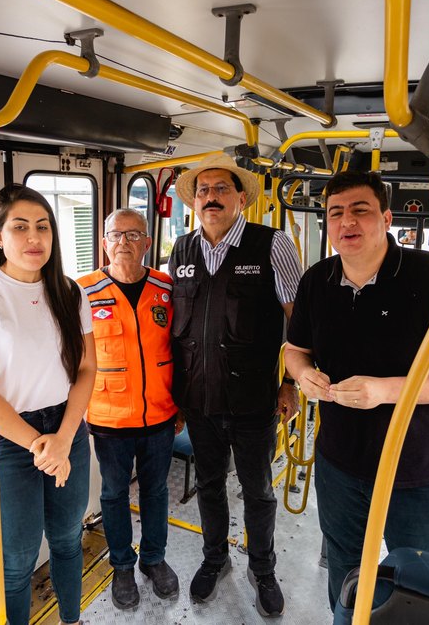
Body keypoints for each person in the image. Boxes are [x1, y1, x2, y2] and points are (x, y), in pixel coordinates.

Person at [282, 170, 429, 611]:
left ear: (387, 218)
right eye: (335, 213)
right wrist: (303, 376)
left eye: (360, 210)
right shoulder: (316, 281)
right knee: (344, 563)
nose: (347, 222)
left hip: (416, 467)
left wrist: (386, 390)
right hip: (340, 460)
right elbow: (294, 350)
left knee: (416, 575)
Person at [0, 184, 95, 625]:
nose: (35, 238)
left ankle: (71, 619)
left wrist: (64, 440)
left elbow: (87, 369)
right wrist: (41, 446)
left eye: (43, 227)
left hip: (66, 427)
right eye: (21, 227)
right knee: (17, 560)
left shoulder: (68, 292)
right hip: (9, 439)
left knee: (68, 539)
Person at [169, 152, 302, 617]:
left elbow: (298, 322)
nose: (211, 197)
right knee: (208, 486)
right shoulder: (182, 250)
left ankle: (262, 569)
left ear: (241, 198)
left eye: (221, 189)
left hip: (253, 401)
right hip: (200, 402)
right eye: (203, 191)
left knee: (259, 490)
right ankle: (215, 558)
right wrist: (176, 396)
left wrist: (290, 383)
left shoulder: (272, 245)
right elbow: (177, 331)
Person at [77, 208, 182, 610]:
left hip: (160, 413)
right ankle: (122, 564)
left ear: (147, 243)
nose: (124, 241)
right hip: (107, 417)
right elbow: (71, 356)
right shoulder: (82, 291)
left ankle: (154, 559)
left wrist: (181, 406)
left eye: (133, 234)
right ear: (104, 242)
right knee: (114, 493)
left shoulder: (165, 287)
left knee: (156, 491)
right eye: (115, 234)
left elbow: (180, 348)